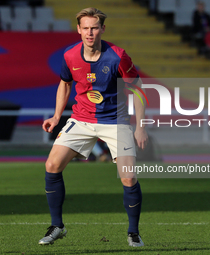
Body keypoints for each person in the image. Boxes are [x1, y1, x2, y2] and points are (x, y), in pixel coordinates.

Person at [39, 7, 148, 247]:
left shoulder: (118, 56)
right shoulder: (69, 55)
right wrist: (57, 117)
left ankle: (133, 232)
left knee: (128, 178)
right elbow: (65, 84)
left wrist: (140, 126)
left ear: (102, 29)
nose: (90, 33)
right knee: (52, 165)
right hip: (81, 119)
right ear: (79, 29)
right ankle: (57, 226)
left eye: (94, 28)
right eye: (85, 28)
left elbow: (138, 89)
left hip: (116, 122)